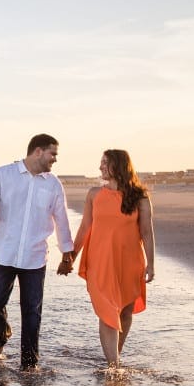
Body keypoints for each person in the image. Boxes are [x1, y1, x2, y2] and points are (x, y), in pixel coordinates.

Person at [0, 133, 75, 368]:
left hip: (35, 258)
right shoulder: (3, 175)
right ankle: (2, 332)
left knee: (32, 313)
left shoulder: (53, 184)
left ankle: (29, 364)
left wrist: (67, 255)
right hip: (4, 253)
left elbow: (62, 221)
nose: (55, 159)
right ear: (38, 151)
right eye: (52, 153)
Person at [69, 149, 155, 368]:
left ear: (119, 166)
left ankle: (113, 358)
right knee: (108, 310)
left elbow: (146, 233)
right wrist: (71, 256)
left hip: (130, 263)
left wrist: (151, 264)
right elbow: (85, 227)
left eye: (105, 163)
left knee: (125, 311)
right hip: (101, 262)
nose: (100, 167)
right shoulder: (94, 194)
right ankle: (114, 365)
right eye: (101, 162)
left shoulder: (140, 198)